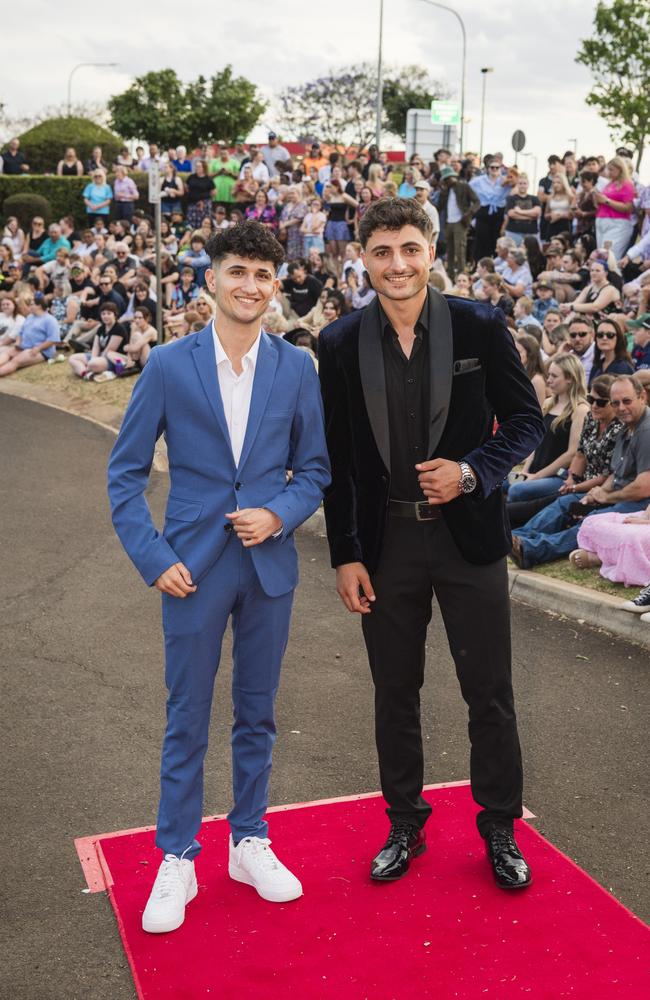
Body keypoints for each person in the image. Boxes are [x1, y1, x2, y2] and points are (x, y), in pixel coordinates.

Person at [107, 220, 330, 933]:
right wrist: (154, 558)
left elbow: (317, 470)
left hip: (269, 566)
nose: (251, 286)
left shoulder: (297, 367)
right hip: (190, 570)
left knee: (258, 713)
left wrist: (279, 513)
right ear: (212, 279)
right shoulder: (171, 364)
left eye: (264, 275)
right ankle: (176, 856)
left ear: (277, 286)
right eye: (237, 271)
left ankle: (249, 840)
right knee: (186, 718)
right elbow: (126, 475)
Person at [318, 197, 544, 891]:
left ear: (430, 253)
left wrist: (473, 470)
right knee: (395, 691)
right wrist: (346, 553)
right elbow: (340, 458)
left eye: (410, 249)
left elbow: (528, 422)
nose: (397, 264)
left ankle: (499, 825)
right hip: (386, 542)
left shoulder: (478, 323)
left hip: (468, 537)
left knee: (490, 692)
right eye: (382, 252)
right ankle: (405, 822)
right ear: (363, 257)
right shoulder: (338, 342)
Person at [511, 375, 650, 568]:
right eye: (615, 403)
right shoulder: (627, 426)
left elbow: (644, 488)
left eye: (626, 401)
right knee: (565, 503)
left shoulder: (646, 431)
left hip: (640, 504)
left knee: (590, 524)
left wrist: (606, 497)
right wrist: (597, 493)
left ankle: (531, 550)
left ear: (642, 397)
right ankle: (517, 539)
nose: (621, 408)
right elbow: (616, 474)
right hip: (619, 495)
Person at [506, 354, 589, 503]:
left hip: (558, 476)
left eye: (554, 376)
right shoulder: (548, 403)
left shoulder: (580, 410)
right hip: (535, 470)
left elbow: (571, 453)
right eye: (549, 374)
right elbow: (536, 441)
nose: (548, 380)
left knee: (517, 490)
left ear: (570, 378)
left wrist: (536, 477)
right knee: (497, 482)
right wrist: (525, 471)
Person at [0, 292, 60, 376]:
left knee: (15, 361)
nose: (29, 307)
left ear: (39, 305)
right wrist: (18, 342)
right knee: (6, 353)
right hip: (24, 346)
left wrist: (38, 348)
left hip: (41, 351)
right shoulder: (30, 317)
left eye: (32, 304)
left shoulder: (50, 320)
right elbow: (20, 333)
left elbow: (53, 339)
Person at [68, 301, 127, 379]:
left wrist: (93, 361)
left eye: (109, 313)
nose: (105, 316)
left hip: (112, 359)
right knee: (72, 358)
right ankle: (86, 374)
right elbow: (96, 347)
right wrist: (93, 358)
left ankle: (86, 369)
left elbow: (109, 350)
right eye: (103, 314)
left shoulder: (119, 328)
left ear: (115, 315)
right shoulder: (101, 328)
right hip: (99, 357)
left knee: (93, 364)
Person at [594, 156, 636, 259]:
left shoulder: (627, 185)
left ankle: (613, 274)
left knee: (609, 256)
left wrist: (606, 201)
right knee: (601, 256)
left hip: (617, 225)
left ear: (620, 169)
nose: (609, 172)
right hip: (602, 222)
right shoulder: (609, 184)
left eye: (612, 169)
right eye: (608, 169)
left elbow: (628, 208)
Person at [470, 158, 509, 260]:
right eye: (492, 167)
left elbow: (516, 182)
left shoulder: (505, 180)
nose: (495, 169)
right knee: (481, 239)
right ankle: (480, 264)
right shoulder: (479, 181)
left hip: (499, 212)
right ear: (488, 169)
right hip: (483, 211)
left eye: (497, 167)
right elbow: (468, 190)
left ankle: (496, 263)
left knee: (497, 239)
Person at [588, 318, 635, 386]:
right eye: (600, 335)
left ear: (618, 339)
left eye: (610, 335)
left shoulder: (624, 367)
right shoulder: (597, 365)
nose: (604, 338)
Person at [503, 173, 541, 246]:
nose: (522, 185)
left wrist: (519, 211)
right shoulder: (511, 198)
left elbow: (537, 213)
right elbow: (511, 214)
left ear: (528, 185)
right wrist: (530, 215)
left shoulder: (534, 199)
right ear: (517, 184)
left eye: (524, 183)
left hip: (531, 233)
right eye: (520, 183)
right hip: (513, 232)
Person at [515, 333, 547, 409]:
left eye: (518, 352)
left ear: (530, 354)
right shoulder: (518, 374)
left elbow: (539, 409)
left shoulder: (537, 380)